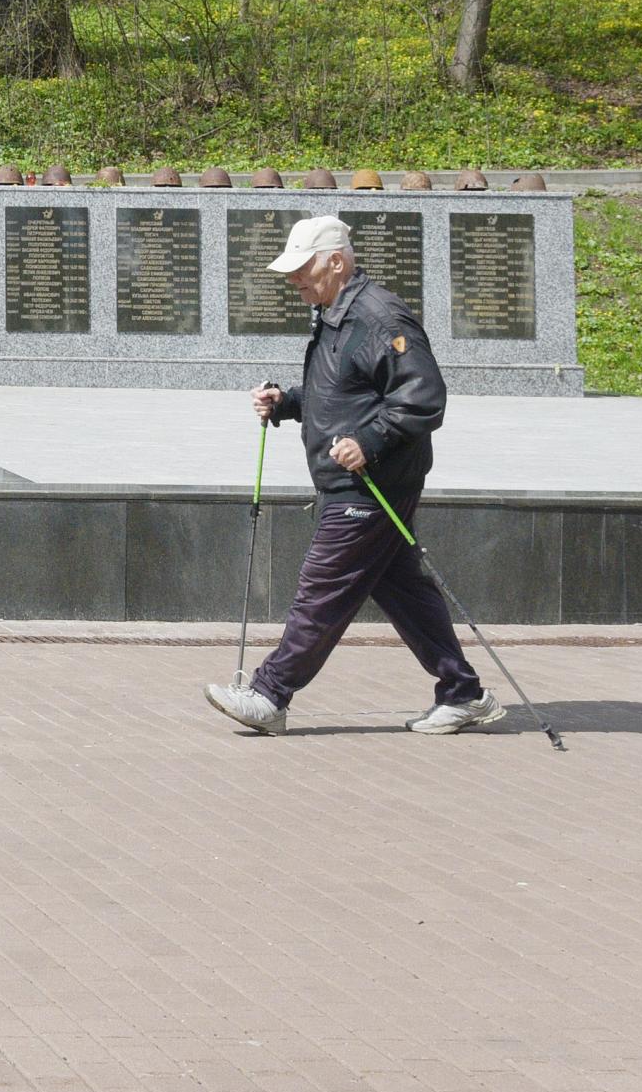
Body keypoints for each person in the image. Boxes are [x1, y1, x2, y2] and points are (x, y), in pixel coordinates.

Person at [204, 214, 505, 737]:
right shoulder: (334, 312)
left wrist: (368, 443)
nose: (293, 279)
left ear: (336, 262)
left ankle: (269, 694)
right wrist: (288, 402)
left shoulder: (378, 316)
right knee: (404, 589)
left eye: (303, 269)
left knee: (324, 586)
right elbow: (347, 393)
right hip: (358, 479)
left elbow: (424, 396)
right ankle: (464, 693)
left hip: (373, 483)